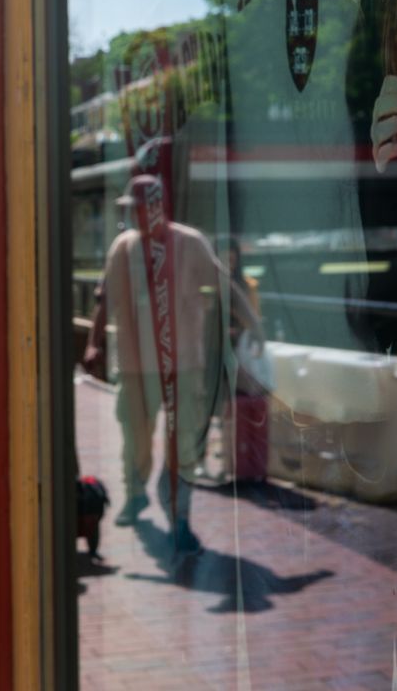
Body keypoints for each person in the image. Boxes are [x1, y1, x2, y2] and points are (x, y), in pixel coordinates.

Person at [97, 175, 258, 559]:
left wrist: (254, 324)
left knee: (185, 440)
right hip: (137, 366)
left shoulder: (189, 243)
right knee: (135, 437)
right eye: (131, 209)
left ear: (157, 206)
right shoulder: (124, 248)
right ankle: (136, 494)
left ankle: (180, 517)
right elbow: (105, 296)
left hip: (183, 363)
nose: (134, 215)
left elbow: (223, 284)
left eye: (139, 207)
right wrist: (93, 343)